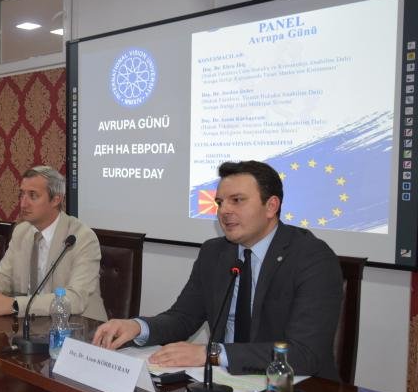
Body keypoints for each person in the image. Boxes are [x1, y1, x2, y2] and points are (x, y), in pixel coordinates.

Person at [92, 160, 343, 379]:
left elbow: (304, 353)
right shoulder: (215, 252)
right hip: (223, 386)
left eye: (237, 200)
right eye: (220, 202)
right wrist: (138, 327)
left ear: (271, 206)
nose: (224, 211)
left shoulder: (312, 258)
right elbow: (183, 318)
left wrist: (211, 354)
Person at [0, 166, 107, 321]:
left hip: (80, 326)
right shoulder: (21, 231)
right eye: (22, 195)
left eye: (33, 196)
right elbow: (3, 276)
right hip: (32, 325)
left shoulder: (82, 237)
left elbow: (75, 299)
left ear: (56, 199)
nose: (23, 204)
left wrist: (14, 305)